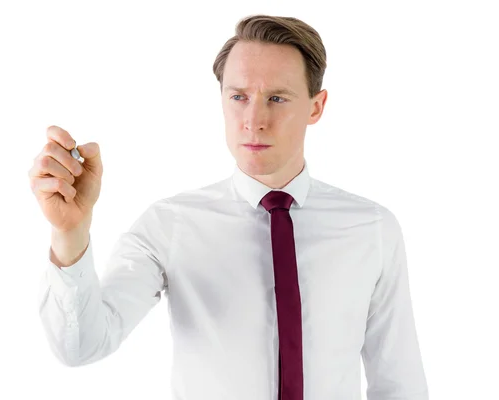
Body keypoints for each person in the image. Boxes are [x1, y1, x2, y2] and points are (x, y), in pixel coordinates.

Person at [29, 14, 428, 400]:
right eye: (239, 97)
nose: (254, 120)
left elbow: (399, 384)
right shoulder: (170, 225)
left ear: (315, 107)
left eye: (276, 98)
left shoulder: (371, 229)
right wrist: (70, 233)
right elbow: (81, 346)